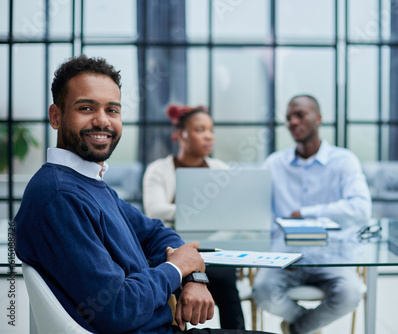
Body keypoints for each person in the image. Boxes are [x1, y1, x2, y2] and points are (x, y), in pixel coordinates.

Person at [14, 54, 271, 334]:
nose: (102, 121)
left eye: (112, 110)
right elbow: (116, 308)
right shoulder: (60, 197)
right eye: (86, 108)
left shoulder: (88, 183)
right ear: (56, 116)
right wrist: (176, 271)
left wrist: (193, 275)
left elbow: (155, 232)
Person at [252, 95, 372, 334]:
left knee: (351, 293)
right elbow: (258, 214)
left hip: (332, 256)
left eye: (300, 115)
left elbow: (361, 209)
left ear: (318, 118)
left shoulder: (344, 160)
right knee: (263, 291)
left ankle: (297, 329)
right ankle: (307, 326)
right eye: (288, 118)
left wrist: (306, 213)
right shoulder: (274, 164)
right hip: (286, 258)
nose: (293, 122)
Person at [142, 104, 245, 330]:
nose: (208, 136)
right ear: (180, 135)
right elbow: (155, 211)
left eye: (210, 130)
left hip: (214, 247)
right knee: (182, 276)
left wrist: (184, 211)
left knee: (226, 278)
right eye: (200, 130)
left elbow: (233, 213)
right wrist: (206, 212)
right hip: (174, 249)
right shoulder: (158, 170)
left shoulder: (220, 169)